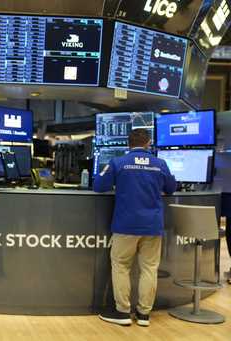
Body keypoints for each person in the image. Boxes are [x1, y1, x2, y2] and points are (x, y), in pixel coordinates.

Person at [93, 128, 177, 327]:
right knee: (149, 268)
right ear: (149, 143)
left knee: (121, 266)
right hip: (153, 225)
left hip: (126, 224)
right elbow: (172, 188)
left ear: (128, 144)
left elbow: (98, 186)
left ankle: (122, 312)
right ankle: (144, 315)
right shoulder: (160, 164)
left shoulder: (118, 162)